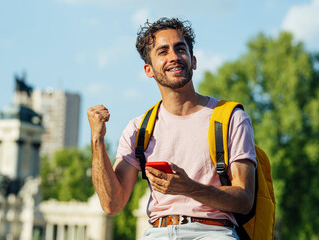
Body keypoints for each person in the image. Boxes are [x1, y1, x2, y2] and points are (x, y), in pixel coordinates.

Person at [87, 17, 256, 239]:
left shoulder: (231, 118)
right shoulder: (139, 129)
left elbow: (244, 200)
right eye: (163, 51)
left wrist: (189, 188)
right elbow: (112, 204)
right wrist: (97, 140)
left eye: (180, 49)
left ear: (193, 60)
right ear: (148, 69)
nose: (174, 57)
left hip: (214, 231)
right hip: (158, 232)